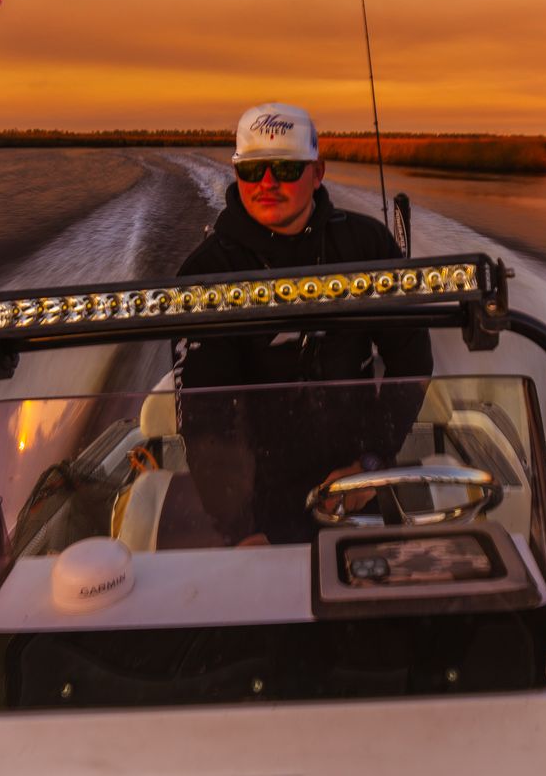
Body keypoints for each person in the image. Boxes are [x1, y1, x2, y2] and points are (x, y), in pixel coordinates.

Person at [172, 102, 433, 545]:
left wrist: (371, 460)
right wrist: (240, 528)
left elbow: (411, 357)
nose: (267, 183)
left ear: (317, 172)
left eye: (285, 169)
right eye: (253, 170)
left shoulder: (367, 245)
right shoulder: (208, 271)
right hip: (256, 496)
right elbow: (205, 417)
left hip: (359, 479)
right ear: (237, 175)